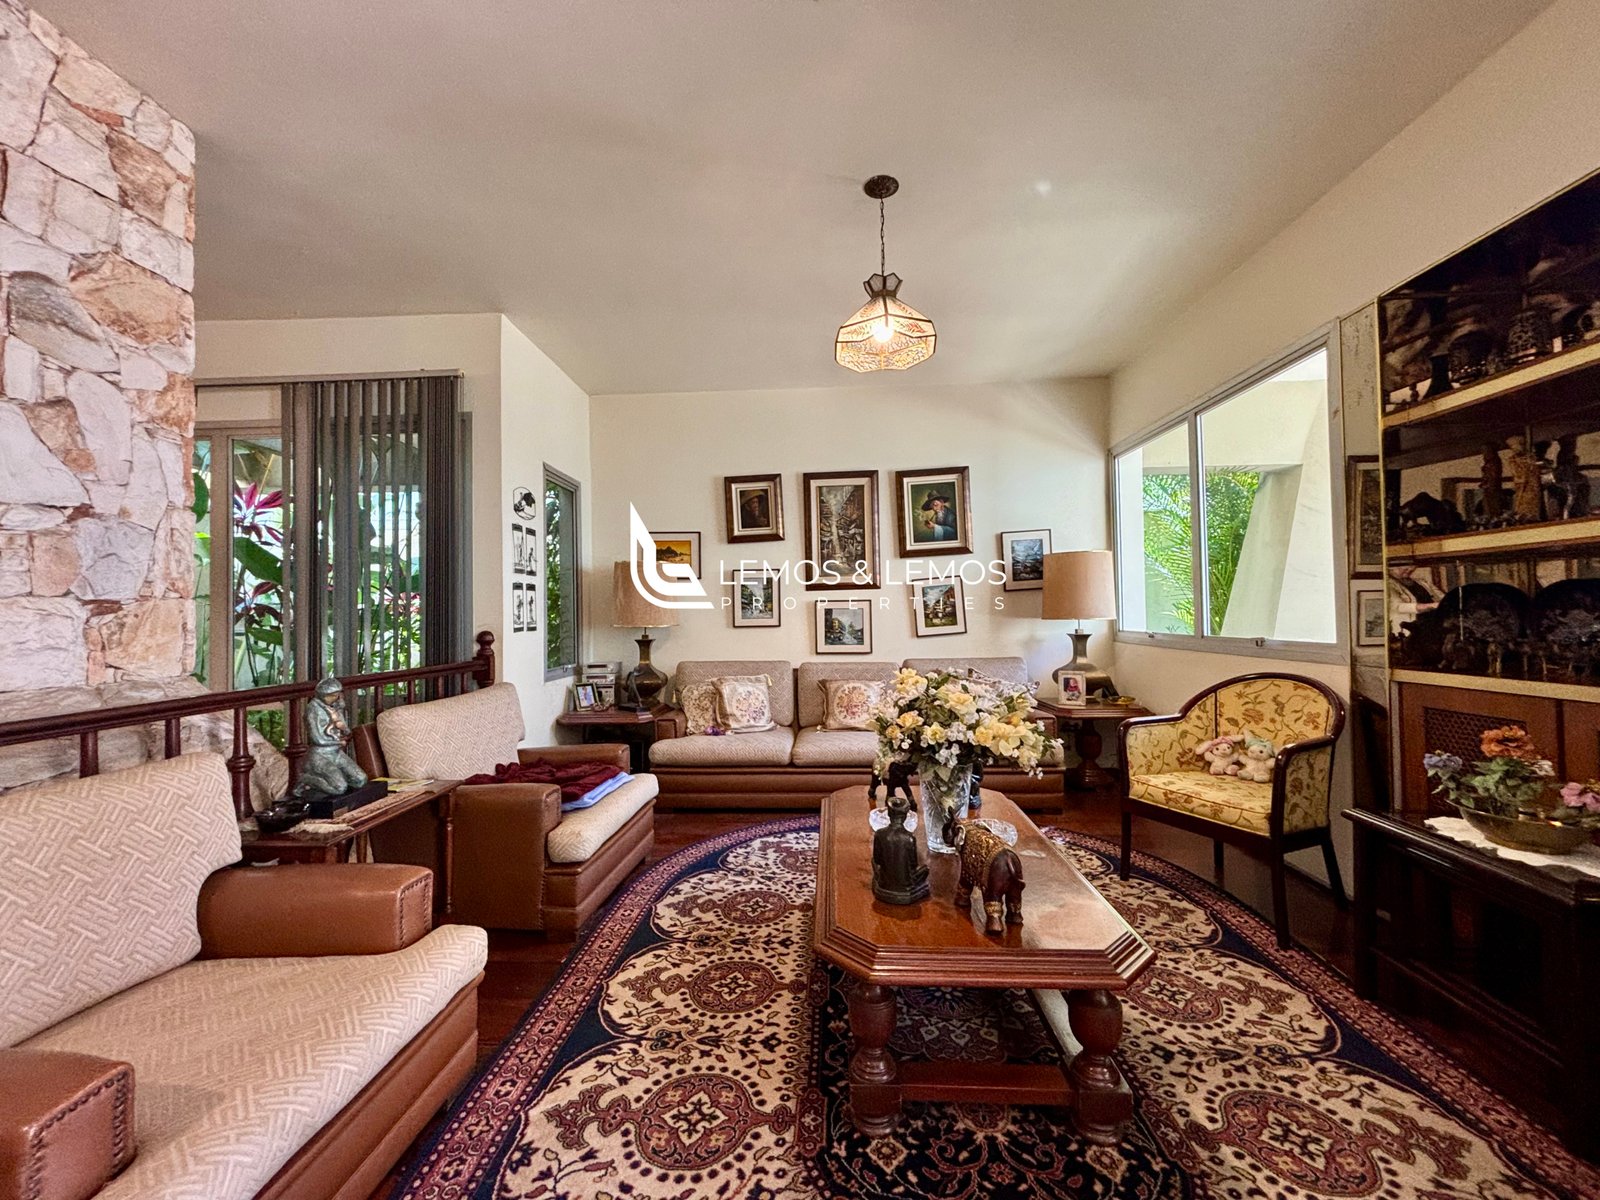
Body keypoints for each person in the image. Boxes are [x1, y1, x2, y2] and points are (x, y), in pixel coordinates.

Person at [295, 676, 369, 798]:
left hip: (336, 753)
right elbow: (317, 739)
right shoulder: (313, 709)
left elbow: (346, 731)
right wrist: (339, 742)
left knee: (360, 780)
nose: (336, 698)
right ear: (323, 695)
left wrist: (340, 715)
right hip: (320, 755)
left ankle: (337, 779)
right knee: (339, 788)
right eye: (333, 695)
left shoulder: (334, 707)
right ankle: (307, 779)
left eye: (337, 695)